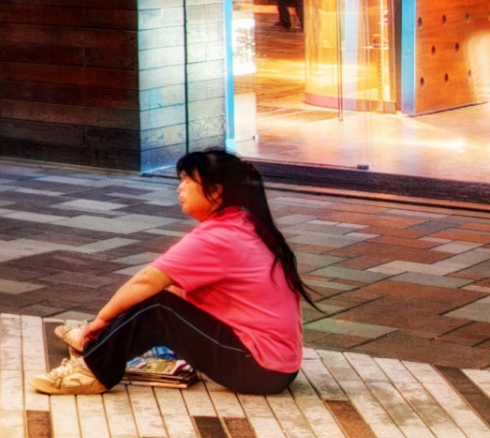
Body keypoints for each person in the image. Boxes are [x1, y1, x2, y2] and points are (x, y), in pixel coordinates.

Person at [41, 149, 311, 395]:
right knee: (163, 301)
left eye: (187, 181)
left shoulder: (220, 237)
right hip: (275, 366)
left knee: (159, 309)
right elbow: (177, 290)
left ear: (215, 192)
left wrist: (102, 319)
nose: (180, 189)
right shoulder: (243, 224)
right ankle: (98, 343)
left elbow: (147, 281)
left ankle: (92, 372)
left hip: (260, 369)